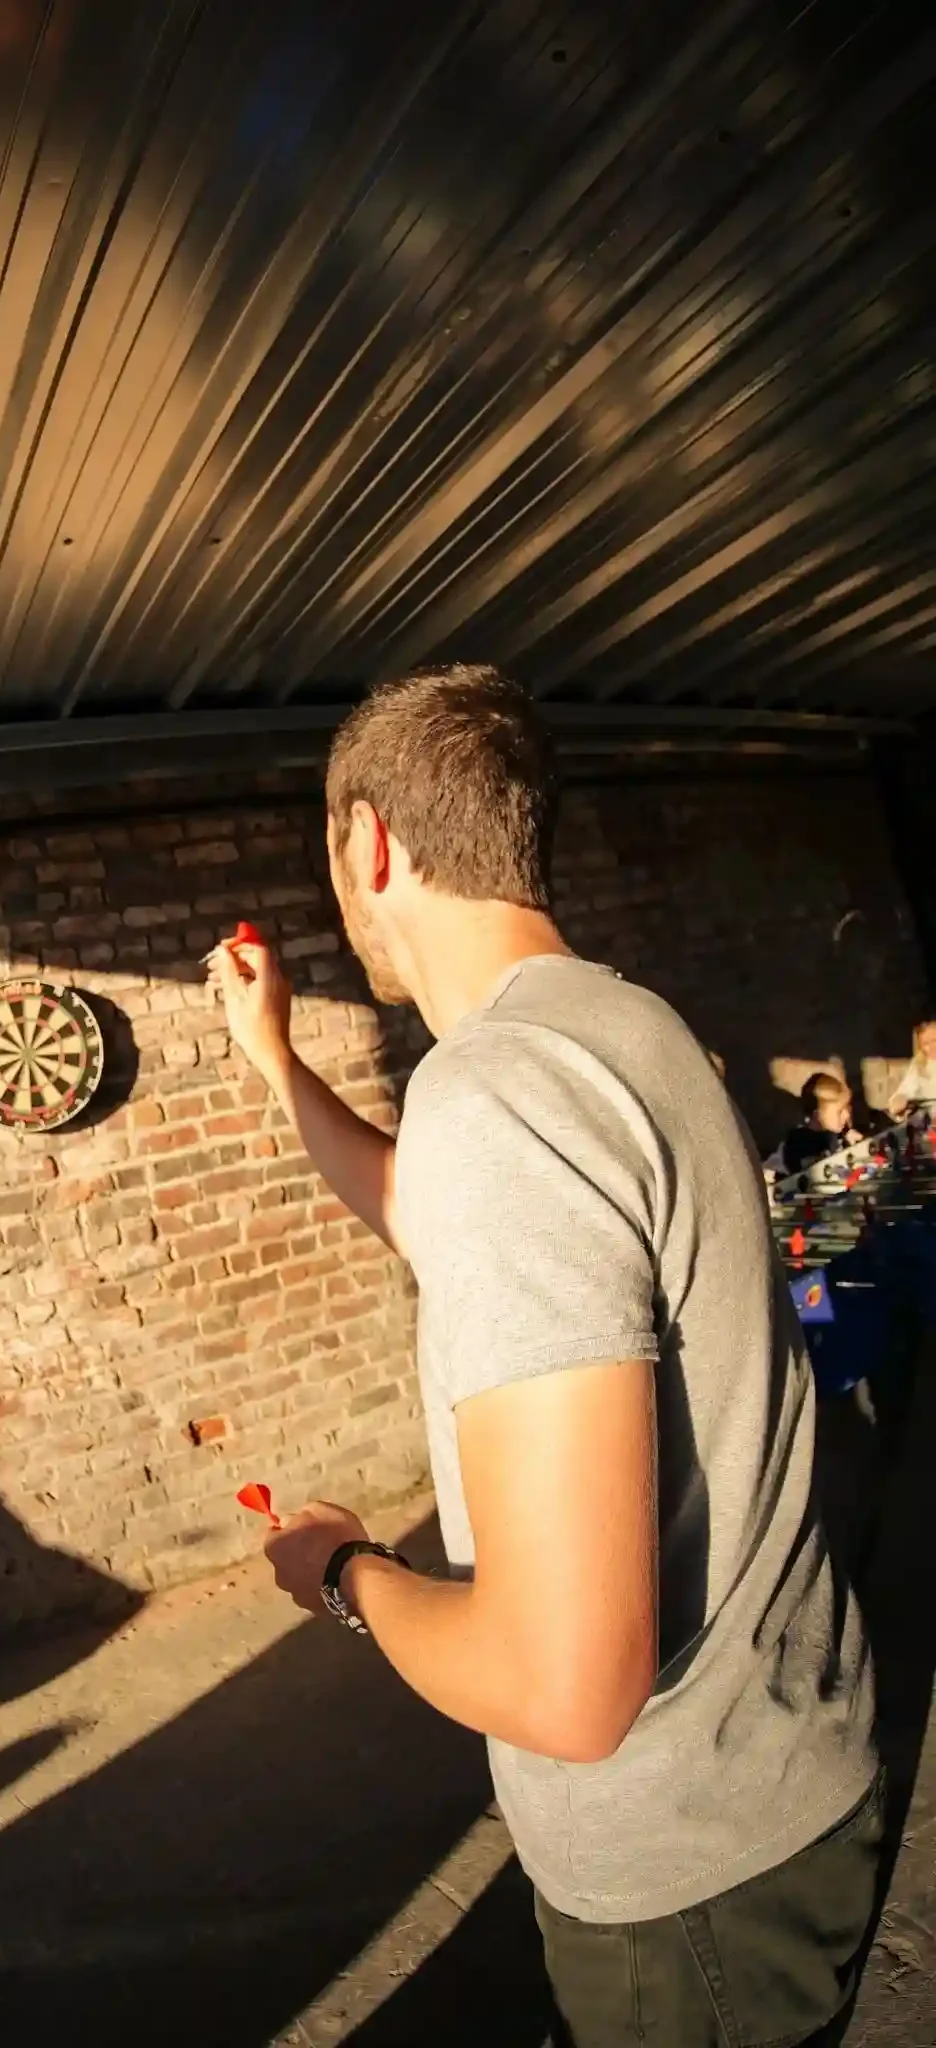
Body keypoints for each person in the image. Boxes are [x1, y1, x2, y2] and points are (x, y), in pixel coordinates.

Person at [210, 666, 879, 2048]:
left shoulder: (498, 1093)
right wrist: (279, 1067)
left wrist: (341, 1572)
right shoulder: (624, 1029)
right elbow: (439, 1214)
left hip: (688, 1877)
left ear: (372, 842)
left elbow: (563, 1686)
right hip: (788, 1784)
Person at [779, 1071, 862, 1178]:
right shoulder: (799, 1145)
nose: (846, 1115)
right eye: (840, 1111)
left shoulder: (838, 1134)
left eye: (847, 1107)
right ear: (817, 1115)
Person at [888, 1018, 936, 1119]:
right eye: (926, 1044)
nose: (932, 1047)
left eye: (934, 1040)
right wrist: (898, 1100)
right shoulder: (919, 1065)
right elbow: (904, 1091)